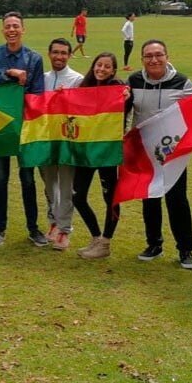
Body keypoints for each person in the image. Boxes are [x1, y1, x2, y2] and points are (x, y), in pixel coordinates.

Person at [127, 40, 192, 269]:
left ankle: (185, 250)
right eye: (148, 56)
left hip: (172, 153)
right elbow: (120, 108)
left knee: (177, 200)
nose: (154, 60)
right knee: (150, 198)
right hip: (145, 152)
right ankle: (154, 244)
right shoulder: (134, 81)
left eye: (158, 55)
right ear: (142, 59)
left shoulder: (183, 82)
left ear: (167, 56)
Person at [0, 11, 46, 246]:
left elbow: (37, 94)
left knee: (28, 178)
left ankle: (33, 228)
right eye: (7, 26)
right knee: (0, 178)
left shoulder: (34, 59)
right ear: (2, 30)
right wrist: (9, 74)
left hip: (24, 126)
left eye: (15, 26)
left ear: (23, 29)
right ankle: (0, 228)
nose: (11, 30)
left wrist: (21, 84)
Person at [72, 53, 127, 259]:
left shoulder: (118, 88)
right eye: (99, 65)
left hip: (106, 153)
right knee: (77, 197)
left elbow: (127, 107)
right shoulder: (83, 88)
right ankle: (96, 237)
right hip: (85, 152)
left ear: (113, 70)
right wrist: (61, 95)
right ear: (93, 66)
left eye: (107, 66)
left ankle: (105, 242)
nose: (101, 69)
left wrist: (126, 97)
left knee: (110, 198)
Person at [40, 38, 83, 250]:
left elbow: (84, 109)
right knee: (49, 184)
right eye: (55, 52)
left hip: (67, 140)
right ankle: (53, 221)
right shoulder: (42, 79)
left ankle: (65, 229)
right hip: (45, 139)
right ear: (49, 54)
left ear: (69, 55)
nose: (59, 56)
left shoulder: (77, 79)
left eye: (64, 53)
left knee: (67, 186)